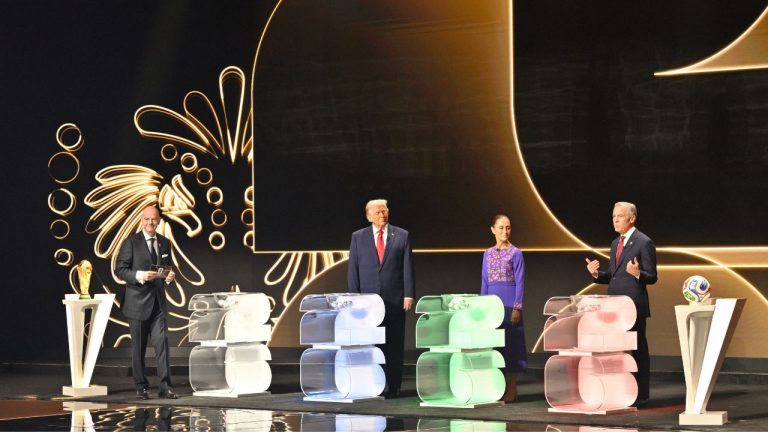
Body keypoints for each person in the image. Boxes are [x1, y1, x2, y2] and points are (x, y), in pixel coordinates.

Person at [585, 201, 657, 406]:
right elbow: (613, 276)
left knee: (637, 348)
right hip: (614, 306)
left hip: (634, 306)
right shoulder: (615, 243)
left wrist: (638, 274)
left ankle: (641, 393)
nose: (615, 220)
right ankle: (621, 390)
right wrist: (597, 274)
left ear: (632, 218)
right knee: (617, 349)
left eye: (619, 216)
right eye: (613, 216)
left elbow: (652, 276)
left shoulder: (644, 242)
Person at [348, 199, 415, 398]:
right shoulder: (358, 238)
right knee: (371, 344)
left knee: (394, 344)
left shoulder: (401, 235)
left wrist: (409, 294)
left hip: (394, 300)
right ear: (369, 216)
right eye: (377, 212)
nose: (382, 215)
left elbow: (407, 268)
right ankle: (374, 384)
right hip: (367, 304)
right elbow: (353, 270)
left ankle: (394, 386)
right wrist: (353, 298)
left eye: (384, 211)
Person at [115, 205, 178, 399]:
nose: (150, 223)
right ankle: (141, 387)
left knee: (162, 345)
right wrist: (141, 275)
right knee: (139, 348)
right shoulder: (131, 242)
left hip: (158, 303)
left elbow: (168, 267)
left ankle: (165, 387)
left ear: (159, 220)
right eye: (146, 219)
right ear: (141, 221)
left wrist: (170, 275)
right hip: (137, 304)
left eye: (153, 219)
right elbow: (120, 270)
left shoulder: (165, 243)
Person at [480, 214, 527, 402]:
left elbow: (521, 282)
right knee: (494, 344)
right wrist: (481, 306)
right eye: (501, 228)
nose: (505, 231)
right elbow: (484, 281)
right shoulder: (487, 253)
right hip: (492, 301)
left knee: (512, 344)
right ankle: (496, 385)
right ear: (492, 229)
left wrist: (517, 306)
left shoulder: (516, 253)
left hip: (509, 301)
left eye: (508, 227)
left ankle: (512, 386)